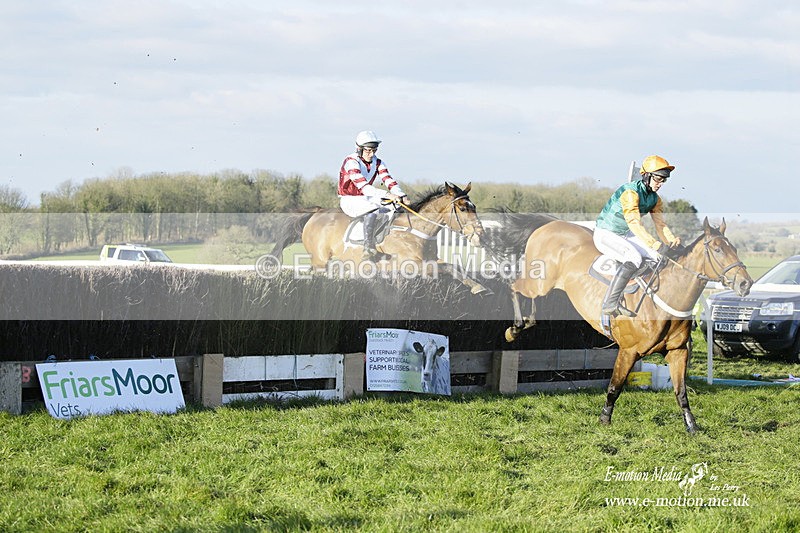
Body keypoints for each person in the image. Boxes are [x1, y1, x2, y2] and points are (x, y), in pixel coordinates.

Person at [593, 155, 682, 317]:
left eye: (663, 180)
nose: (660, 183)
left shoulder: (655, 199)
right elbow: (634, 223)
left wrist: (671, 242)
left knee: (657, 258)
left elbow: (660, 224)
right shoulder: (630, 193)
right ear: (646, 175)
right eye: (658, 179)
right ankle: (610, 303)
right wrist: (655, 244)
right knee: (634, 258)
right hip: (605, 233)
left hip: (624, 234)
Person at [338, 130, 408, 261]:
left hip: (368, 198)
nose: (371, 154)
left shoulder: (378, 162)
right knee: (374, 208)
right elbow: (364, 187)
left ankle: (384, 244)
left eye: (374, 150)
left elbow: (388, 180)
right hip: (350, 200)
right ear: (359, 149)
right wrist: (388, 194)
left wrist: (401, 195)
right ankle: (368, 248)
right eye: (368, 151)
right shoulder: (351, 162)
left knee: (395, 207)